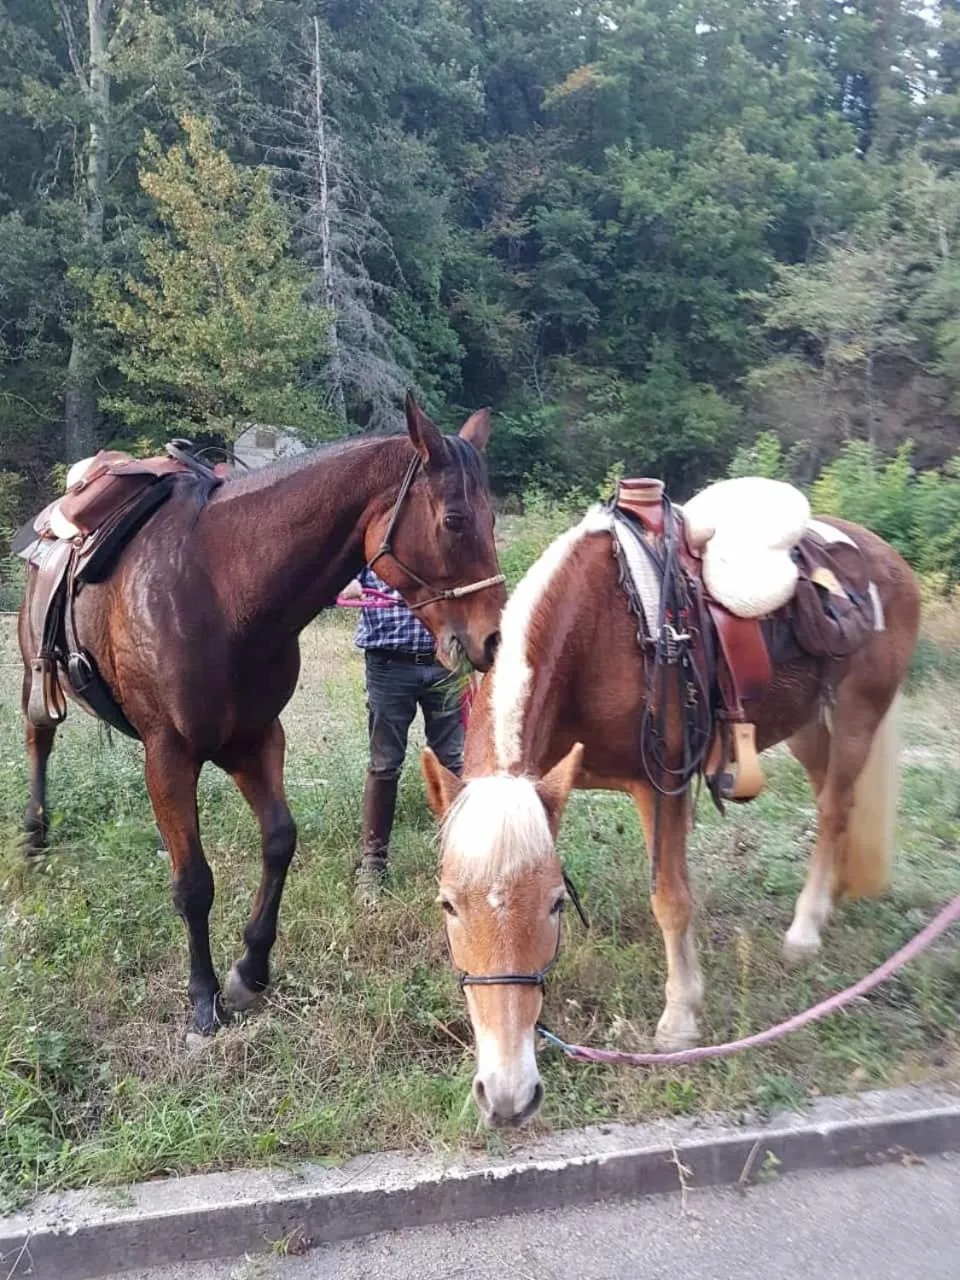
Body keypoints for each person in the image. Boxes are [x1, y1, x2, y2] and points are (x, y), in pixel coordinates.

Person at [341, 565, 465, 903]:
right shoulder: (373, 540)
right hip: (388, 664)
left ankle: (461, 858)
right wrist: (346, 582)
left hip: (445, 663)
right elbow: (327, 585)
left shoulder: (439, 542)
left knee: (452, 761)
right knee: (384, 765)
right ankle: (372, 866)